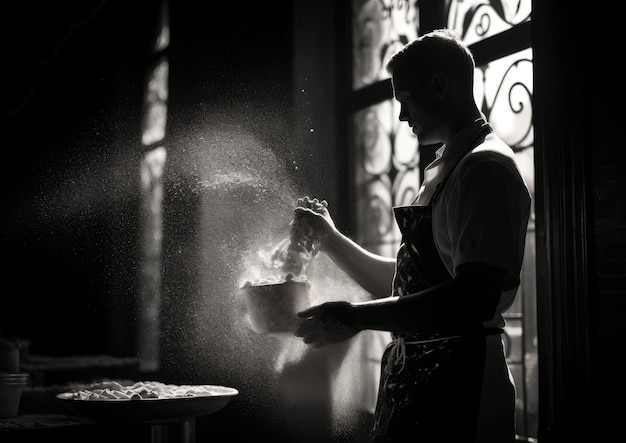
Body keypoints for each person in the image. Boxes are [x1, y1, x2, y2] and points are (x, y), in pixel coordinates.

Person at [293, 28, 531, 443]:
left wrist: (356, 317)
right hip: (418, 378)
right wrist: (329, 239)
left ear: (438, 85)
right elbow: (409, 286)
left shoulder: (485, 168)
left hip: (463, 382)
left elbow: (471, 297)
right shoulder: (447, 168)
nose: (402, 116)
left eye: (404, 98)